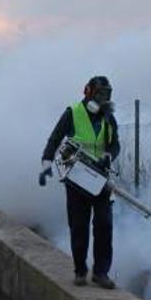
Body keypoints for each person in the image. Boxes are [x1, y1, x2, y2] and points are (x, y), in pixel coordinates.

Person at [40, 76, 120, 289]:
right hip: (77, 179)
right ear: (88, 92)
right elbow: (55, 138)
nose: (103, 99)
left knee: (104, 224)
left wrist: (109, 156)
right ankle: (80, 270)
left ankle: (101, 272)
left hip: (101, 180)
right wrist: (46, 164)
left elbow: (115, 145)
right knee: (79, 226)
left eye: (106, 95)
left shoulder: (108, 118)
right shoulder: (73, 113)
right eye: (99, 94)